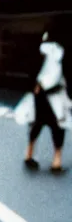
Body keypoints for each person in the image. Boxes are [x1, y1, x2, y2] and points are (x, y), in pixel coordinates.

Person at [22, 33, 70, 173]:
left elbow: (31, 73)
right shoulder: (59, 52)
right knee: (58, 125)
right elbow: (66, 73)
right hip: (56, 94)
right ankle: (56, 161)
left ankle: (29, 154)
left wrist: (35, 87)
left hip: (40, 95)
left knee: (37, 123)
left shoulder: (38, 53)